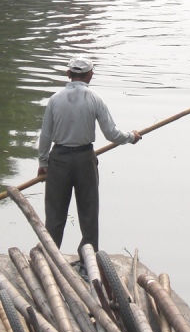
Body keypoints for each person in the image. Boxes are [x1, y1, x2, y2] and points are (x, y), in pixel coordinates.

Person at [37, 56, 141, 253]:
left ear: (68, 74)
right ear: (90, 75)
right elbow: (111, 133)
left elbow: (46, 135)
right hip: (85, 159)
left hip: (59, 160)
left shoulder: (55, 100)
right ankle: (88, 259)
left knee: (55, 214)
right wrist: (131, 137)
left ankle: (50, 256)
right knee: (88, 214)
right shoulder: (95, 99)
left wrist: (43, 162)